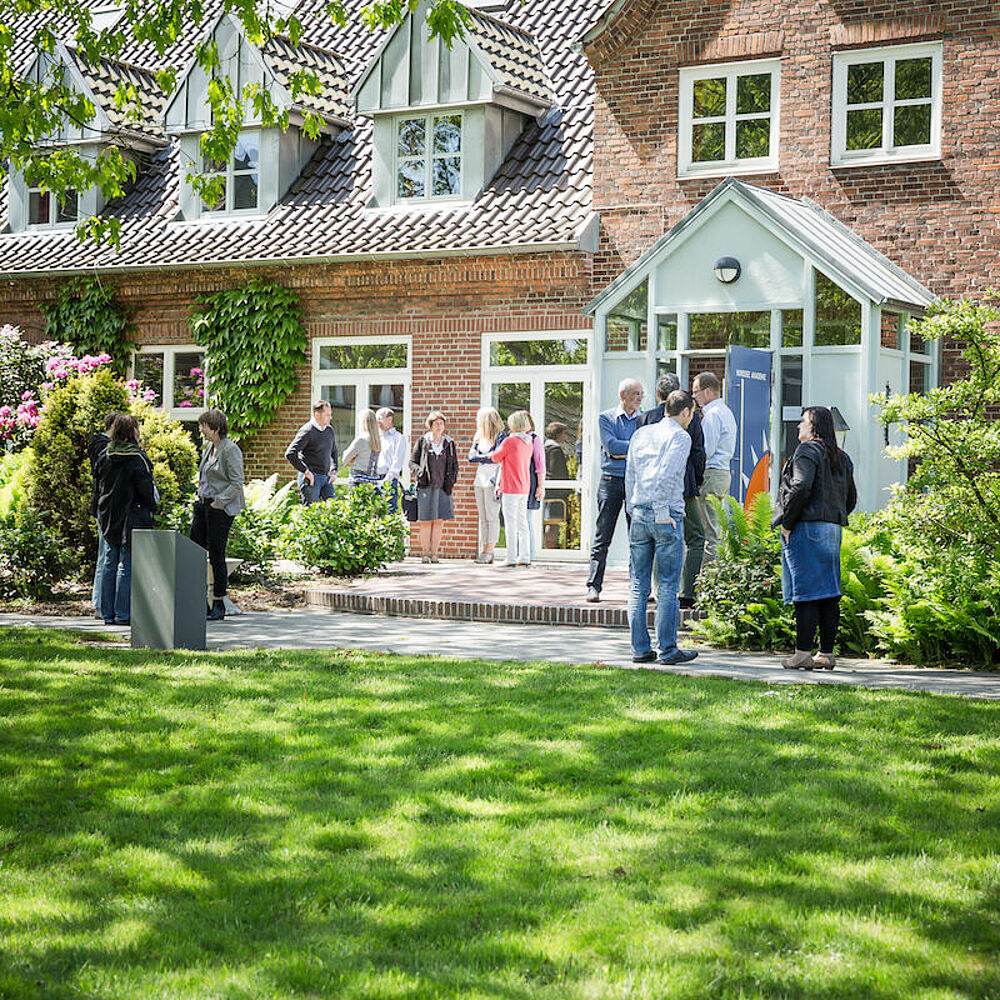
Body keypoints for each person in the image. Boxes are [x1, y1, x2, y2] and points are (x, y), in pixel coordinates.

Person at [773, 405, 857, 670]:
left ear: (815, 427)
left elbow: (800, 487)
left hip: (807, 528)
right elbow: (851, 498)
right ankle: (826, 654)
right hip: (833, 529)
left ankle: (802, 653)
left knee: (806, 593)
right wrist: (834, 514)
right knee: (829, 594)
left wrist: (787, 522)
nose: (799, 426)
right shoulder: (841, 457)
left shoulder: (807, 450)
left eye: (803, 422)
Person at [625, 390, 699, 665]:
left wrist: (633, 510)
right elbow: (668, 475)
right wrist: (660, 512)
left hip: (639, 512)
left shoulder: (642, 433)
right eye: (691, 414)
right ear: (685, 412)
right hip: (664, 514)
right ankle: (667, 649)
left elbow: (630, 474)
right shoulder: (680, 436)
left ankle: (640, 649)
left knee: (638, 585)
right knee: (667, 585)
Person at [635, 374, 706, 608]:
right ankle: (688, 592)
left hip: (645, 492)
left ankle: (653, 590)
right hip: (682, 488)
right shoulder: (689, 419)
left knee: (653, 541)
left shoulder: (645, 418)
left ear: (658, 395)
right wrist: (696, 482)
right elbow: (698, 452)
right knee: (696, 538)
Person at [96, 412, 157, 626]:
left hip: (109, 515)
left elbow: (100, 485)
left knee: (109, 562)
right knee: (126, 564)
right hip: (132, 515)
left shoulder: (106, 454)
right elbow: (145, 490)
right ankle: (123, 613)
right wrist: (152, 506)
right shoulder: (137, 458)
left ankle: (108, 613)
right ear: (132, 432)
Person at [586, 377, 643, 602]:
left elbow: (628, 448)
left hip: (634, 481)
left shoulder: (644, 419)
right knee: (603, 535)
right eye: (635, 394)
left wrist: (623, 448)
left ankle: (638, 587)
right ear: (623, 395)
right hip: (610, 481)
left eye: (641, 394)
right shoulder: (606, 417)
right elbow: (611, 446)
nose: (639, 398)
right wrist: (634, 446)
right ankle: (593, 585)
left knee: (637, 537)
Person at [191, 408, 245, 622]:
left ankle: (219, 603)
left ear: (214, 428)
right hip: (202, 506)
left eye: (203, 426)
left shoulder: (229, 450)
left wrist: (217, 503)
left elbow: (236, 482)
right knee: (194, 552)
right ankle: (199, 601)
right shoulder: (209, 449)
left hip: (219, 509)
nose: (200, 430)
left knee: (216, 555)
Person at [691, 371, 736, 564]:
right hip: (723, 473)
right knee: (715, 527)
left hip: (711, 474)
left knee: (709, 531)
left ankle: (710, 580)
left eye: (696, 391)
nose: (693, 396)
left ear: (707, 391)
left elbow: (705, 451)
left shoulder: (712, 415)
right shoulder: (726, 411)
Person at [410, 410, 458, 563]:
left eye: (441, 423)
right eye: (436, 423)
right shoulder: (423, 441)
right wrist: (419, 472)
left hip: (443, 488)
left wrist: (451, 481)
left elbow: (455, 465)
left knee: (438, 521)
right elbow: (412, 462)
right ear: (430, 425)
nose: (439, 426)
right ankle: (424, 553)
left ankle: (435, 554)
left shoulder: (449, 443)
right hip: (425, 487)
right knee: (425, 521)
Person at [491, 410, 534, 566]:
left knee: (510, 524)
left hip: (510, 487)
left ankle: (510, 557)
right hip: (524, 486)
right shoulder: (528, 442)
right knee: (523, 523)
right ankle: (525, 556)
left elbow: (496, 457)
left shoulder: (510, 441)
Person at [88, 410, 117, 619]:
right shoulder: (102, 447)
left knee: (105, 554)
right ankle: (99, 602)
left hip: (102, 507)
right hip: (104, 508)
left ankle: (102, 602)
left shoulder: (100, 445)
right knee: (105, 554)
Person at [468, 406, 505, 564]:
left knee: (492, 516)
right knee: (483, 517)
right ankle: (484, 548)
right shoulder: (478, 438)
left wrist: (481, 457)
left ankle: (489, 550)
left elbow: (496, 457)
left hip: (493, 480)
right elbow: (471, 457)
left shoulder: (500, 437)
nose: (477, 421)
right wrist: (486, 456)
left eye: (479, 418)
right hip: (480, 479)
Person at [285, 399, 338, 504]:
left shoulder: (329, 430)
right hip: (312, 478)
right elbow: (290, 453)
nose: (330, 417)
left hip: (326, 478)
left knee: (333, 509)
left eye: (330, 414)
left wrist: (334, 471)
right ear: (317, 414)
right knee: (311, 513)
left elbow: (334, 452)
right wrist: (306, 471)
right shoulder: (307, 431)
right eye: (327, 415)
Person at [376, 407, 407, 512]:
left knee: (389, 514)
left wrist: (386, 481)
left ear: (389, 419)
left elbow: (397, 463)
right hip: (374, 480)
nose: (377, 421)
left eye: (380, 418)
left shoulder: (398, 438)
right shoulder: (377, 438)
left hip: (388, 482)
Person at [524, 412, 546, 562]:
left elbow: (540, 465)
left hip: (530, 483)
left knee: (527, 519)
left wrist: (540, 486)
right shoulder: (512, 439)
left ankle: (529, 554)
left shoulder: (534, 439)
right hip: (517, 484)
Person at [343, 409, 385, 488]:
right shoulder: (377, 441)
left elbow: (345, 459)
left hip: (358, 482)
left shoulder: (361, 440)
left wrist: (353, 459)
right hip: (372, 483)